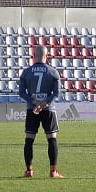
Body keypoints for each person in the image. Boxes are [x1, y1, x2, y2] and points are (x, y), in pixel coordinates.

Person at [18, 44, 62, 178]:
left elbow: (21, 92)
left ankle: (29, 170)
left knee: (29, 139)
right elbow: (57, 93)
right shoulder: (53, 72)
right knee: (51, 139)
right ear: (46, 55)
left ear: (34, 55)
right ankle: (53, 171)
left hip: (32, 109)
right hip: (48, 109)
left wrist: (34, 102)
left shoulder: (26, 72)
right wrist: (44, 103)